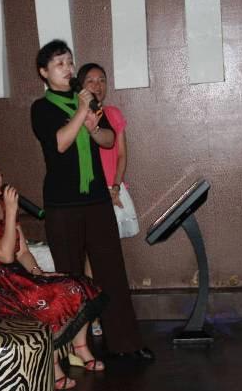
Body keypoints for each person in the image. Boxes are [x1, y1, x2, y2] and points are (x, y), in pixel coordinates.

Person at [31, 40, 153, 361]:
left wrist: (93, 125)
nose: (68, 68)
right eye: (59, 64)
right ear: (44, 72)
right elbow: (60, 143)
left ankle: (127, 343)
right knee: (69, 279)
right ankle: (69, 349)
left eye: (70, 62)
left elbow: (108, 139)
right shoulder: (41, 108)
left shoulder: (88, 100)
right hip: (62, 205)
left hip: (97, 199)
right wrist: (81, 112)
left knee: (112, 272)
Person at [0, 152, 108, 390]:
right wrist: (10, 211)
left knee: (79, 284)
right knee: (52, 298)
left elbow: (22, 252)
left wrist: (39, 273)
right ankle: (52, 364)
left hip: (16, 276)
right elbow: (5, 255)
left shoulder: (2, 205)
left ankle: (80, 348)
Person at [77, 62, 139, 238]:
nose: (97, 86)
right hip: (89, 192)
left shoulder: (113, 113)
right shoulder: (76, 118)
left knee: (110, 244)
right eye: (90, 81)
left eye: (102, 80)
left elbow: (122, 154)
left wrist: (116, 187)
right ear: (80, 86)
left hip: (114, 190)